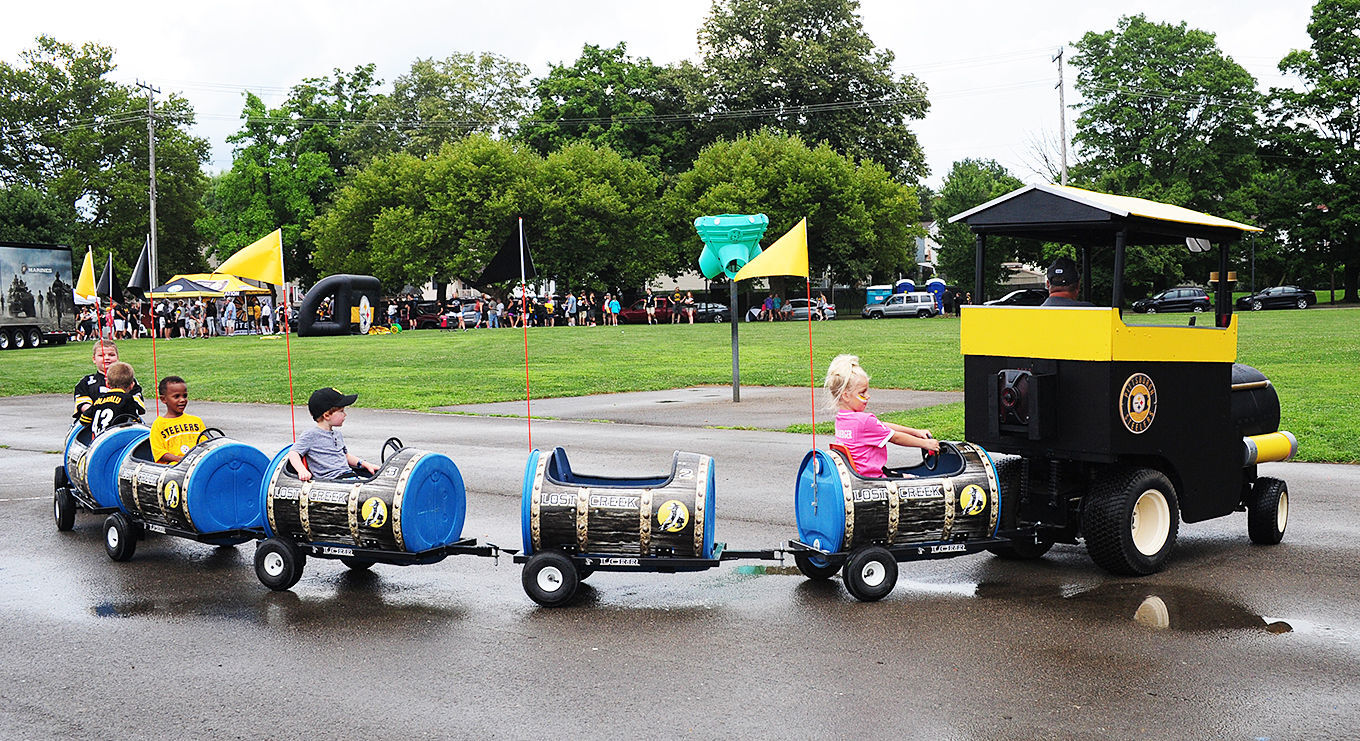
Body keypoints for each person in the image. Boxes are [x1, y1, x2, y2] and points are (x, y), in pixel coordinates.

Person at [825, 354, 939, 478]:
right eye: (862, 393)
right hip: (872, 478)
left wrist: (916, 432)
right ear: (846, 395)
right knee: (913, 479)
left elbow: (881, 426)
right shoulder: (864, 421)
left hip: (857, 475)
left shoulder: (842, 419)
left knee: (904, 475)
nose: (868, 396)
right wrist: (926, 444)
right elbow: (895, 438)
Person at [287, 387, 380, 482]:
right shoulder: (311, 435)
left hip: (348, 476)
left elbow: (345, 456)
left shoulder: (337, 434)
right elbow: (293, 453)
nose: (345, 414)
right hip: (331, 480)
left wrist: (365, 464)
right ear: (327, 415)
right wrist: (301, 470)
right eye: (341, 411)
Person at [74, 339, 146, 421]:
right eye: (101, 355)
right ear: (94, 359)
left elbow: (137, 403)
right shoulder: (86, 382)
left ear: (117, 358)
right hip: (92, 424)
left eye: (111, 355)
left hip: (123, 423)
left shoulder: (129, 379)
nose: (107, 358)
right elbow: (82, 404)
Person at [149, 376, 204, 464]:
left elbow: (205, 444)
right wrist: (179, 459)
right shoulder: (158, 425)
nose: (182, 400)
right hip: (172, 468)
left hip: (196, 465)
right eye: (176, 396)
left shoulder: (196, 421)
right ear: (163, 399)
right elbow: (159, 453)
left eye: (185, 396)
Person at [80, 361, 142, 435]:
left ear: (107, 384)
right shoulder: (127, 399)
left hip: (97, 441)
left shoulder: (99, 400)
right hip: (115, 440)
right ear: (132, 385)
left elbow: (84, 420)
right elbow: (135, 422)